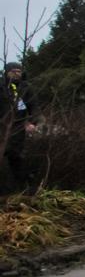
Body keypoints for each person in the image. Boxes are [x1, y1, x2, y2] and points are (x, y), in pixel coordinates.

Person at [1, 62, 36, 192]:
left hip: (18, 128)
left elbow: (34, 107)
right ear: (7, 72)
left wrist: (33, 122)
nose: (16, 74)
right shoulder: (2, 87)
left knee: (16, 157)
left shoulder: (25, 88)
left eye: (19, 71)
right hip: (2, 128)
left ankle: (21, 188)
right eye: (13, 71)